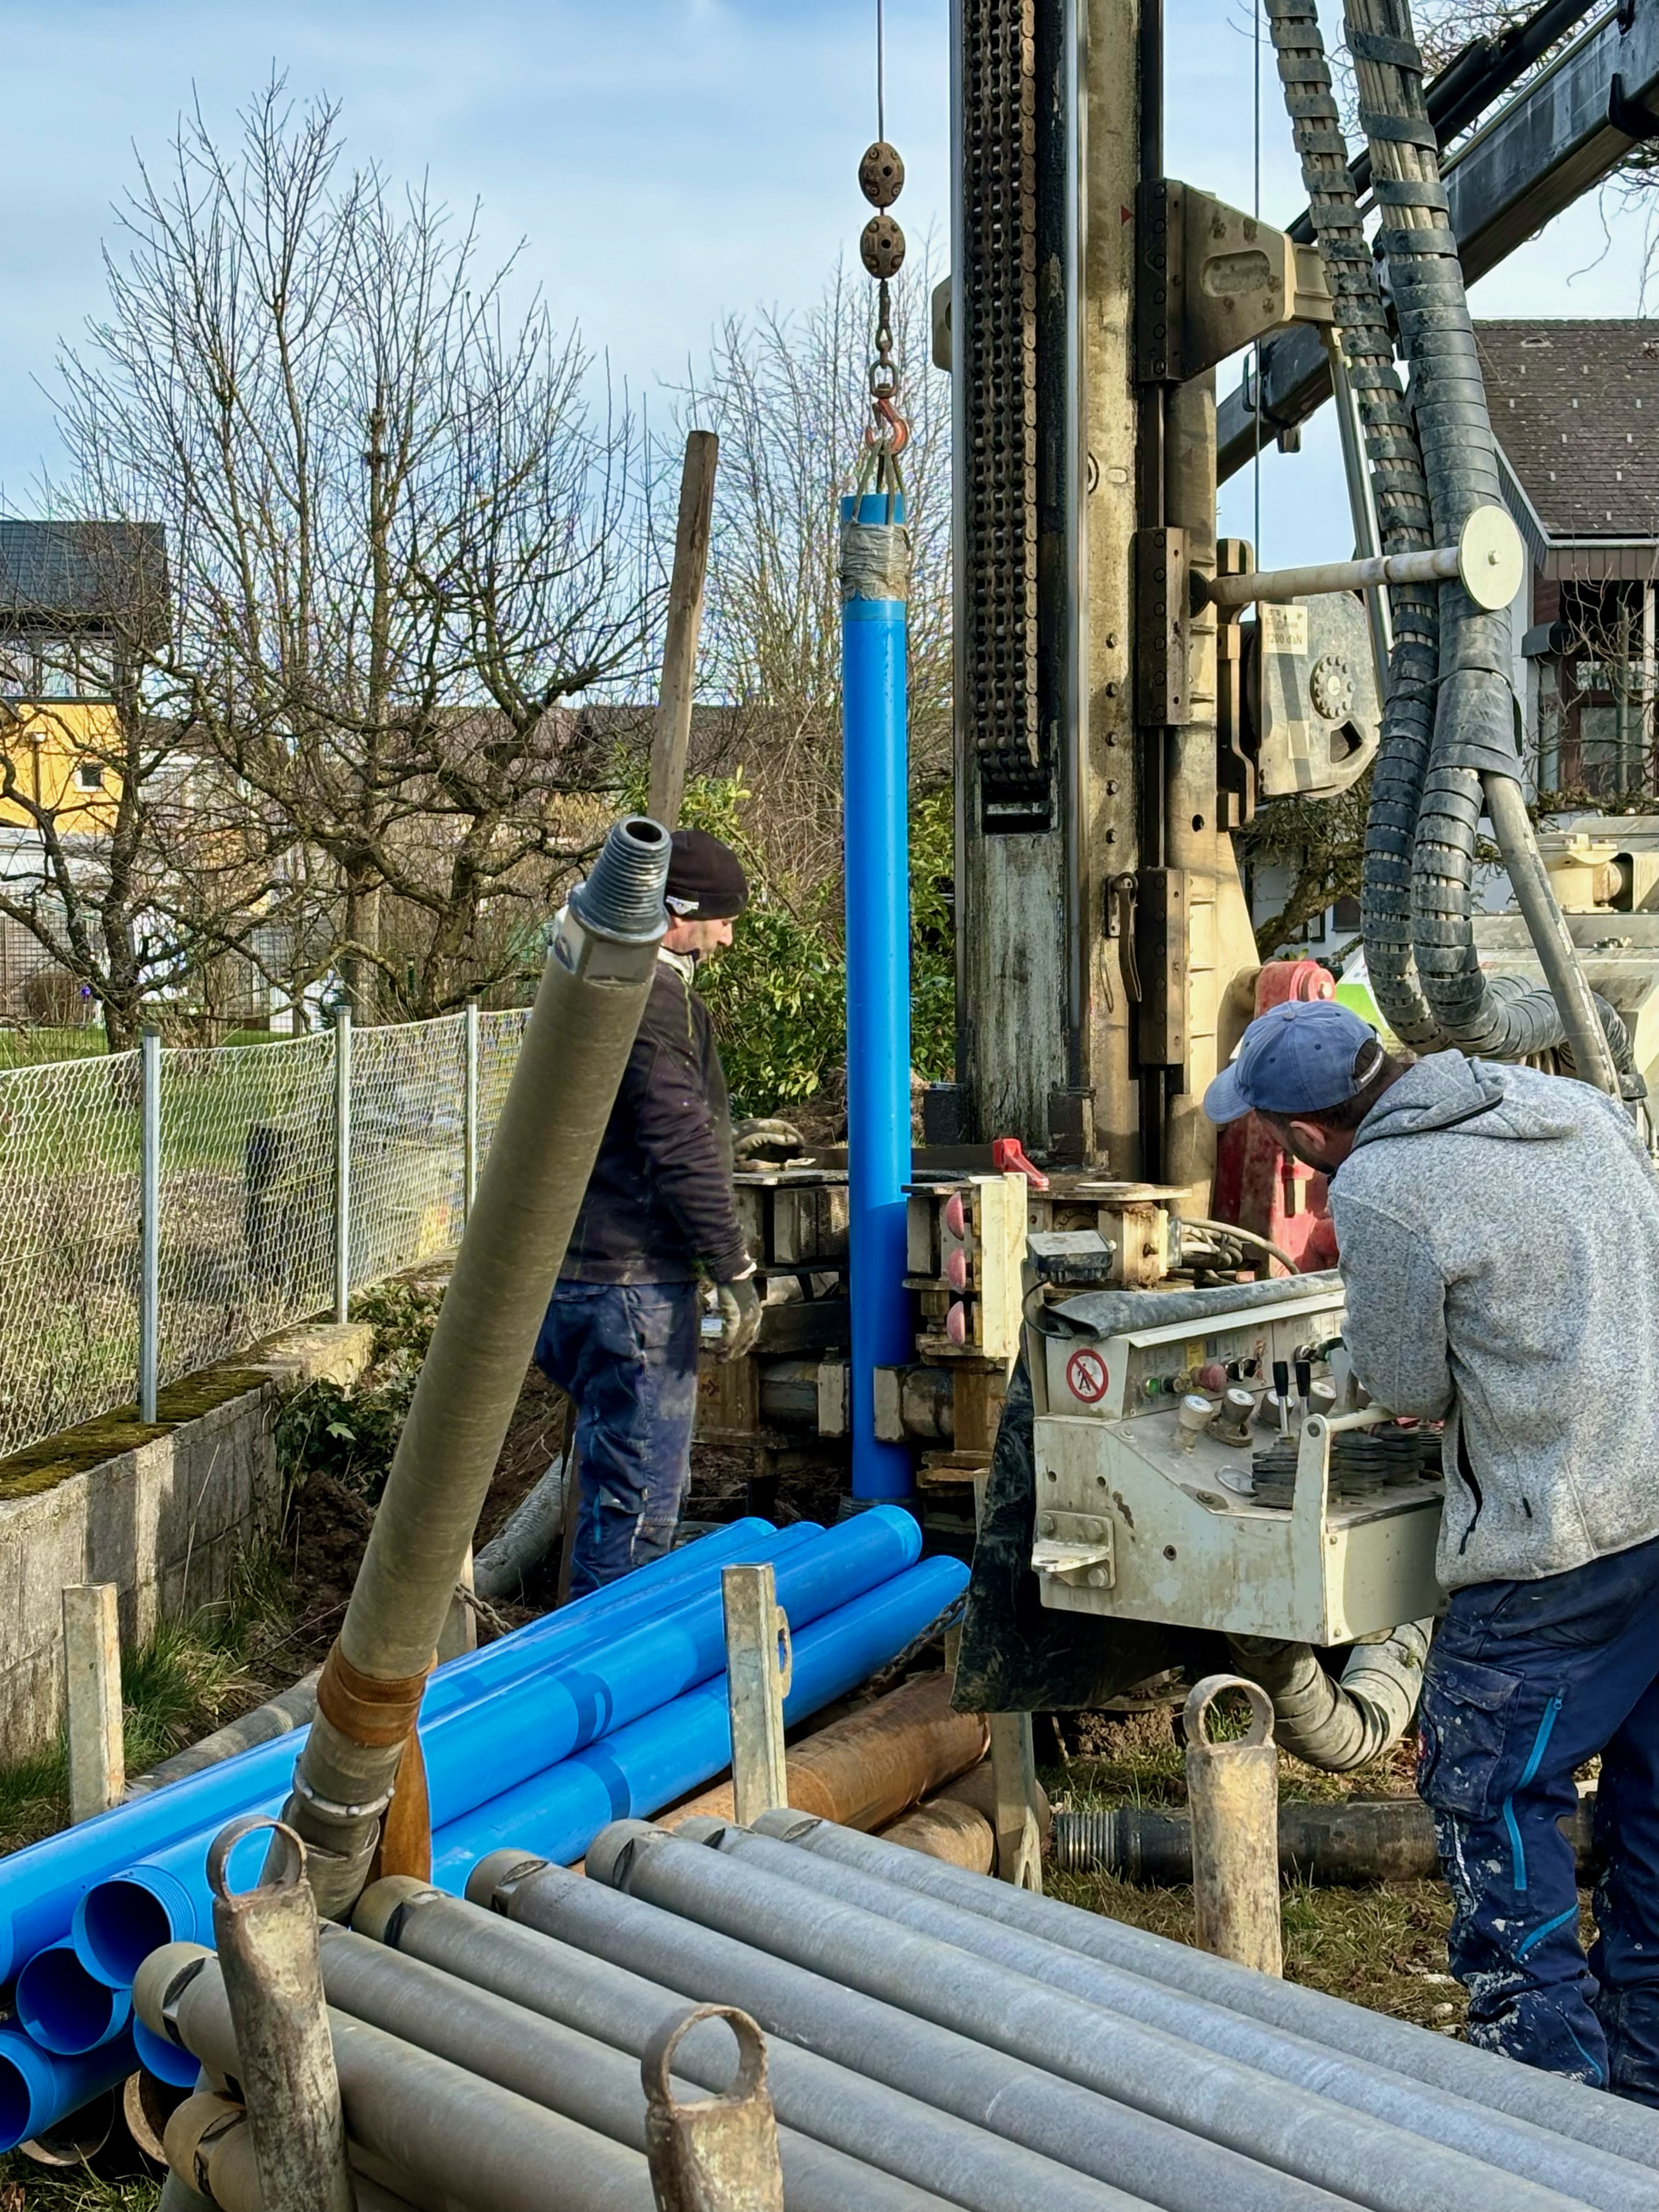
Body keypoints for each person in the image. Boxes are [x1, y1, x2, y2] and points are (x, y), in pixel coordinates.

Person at [1204, 997, 1659, 2106]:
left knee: (1494, 1793)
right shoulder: (1570, 1108)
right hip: (1653, 1493)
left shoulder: (1384, 1187)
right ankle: (1643, 2072)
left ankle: (1545, 2088)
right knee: (1649, 1803)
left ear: (1305, 1134)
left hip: (1554, 1539)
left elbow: (1406, 1386)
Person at [537, 827, 761, 1596]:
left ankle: (579, 1657)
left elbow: (653, 1122)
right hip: (629, 1286)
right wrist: (733, 1266)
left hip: (575, 1273)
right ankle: (602, 1691)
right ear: (677, 914)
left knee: (606, 1496)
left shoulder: (598, 985)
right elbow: (674, 1136)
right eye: (722, 919)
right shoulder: (652, 1000)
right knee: (633, 1525)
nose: (729, 937)